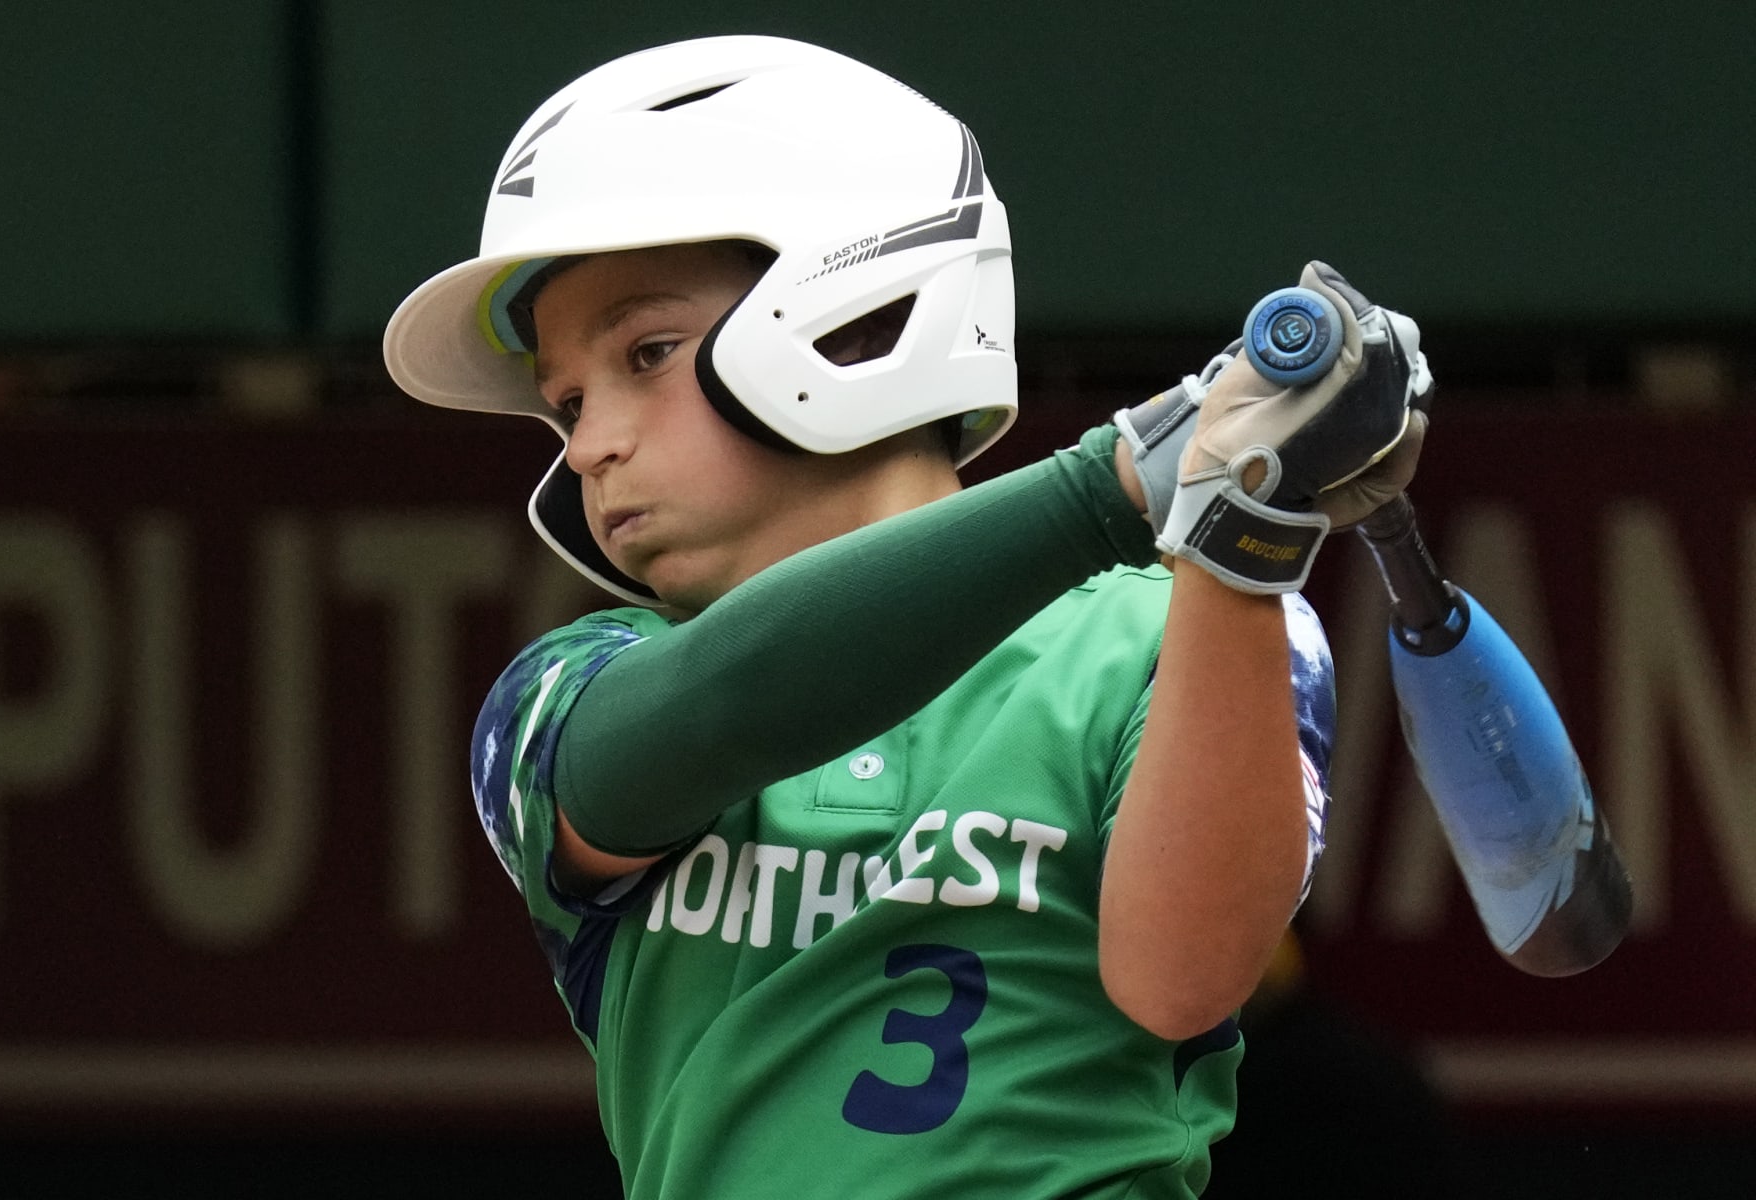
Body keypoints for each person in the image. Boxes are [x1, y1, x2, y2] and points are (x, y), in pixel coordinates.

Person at [383, 34, 1430, 1199]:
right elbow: (725, 705)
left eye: (649, 352)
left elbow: (1181, 979)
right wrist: (1124, 481)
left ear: (862, 315)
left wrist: (1246, 537)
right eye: (566, 401)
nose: (590, 442)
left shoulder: (1154, 631)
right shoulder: (578, 687)